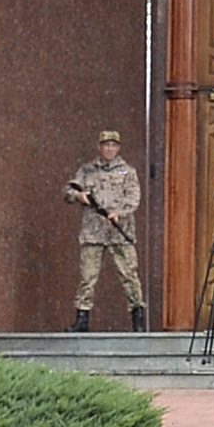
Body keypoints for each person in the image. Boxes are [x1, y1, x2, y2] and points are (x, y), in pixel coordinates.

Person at [66, 127, 145, 331]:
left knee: (129, 276)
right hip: (93, 232)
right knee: (87, 277)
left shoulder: (127, 172)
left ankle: (138, 317)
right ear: (99, 147)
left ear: (118, 148)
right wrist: (78, 196)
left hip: (120, 232)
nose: (109, 149)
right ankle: (82, 319)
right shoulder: (87, 170)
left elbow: (133, 197)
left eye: (113, 145)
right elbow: (68, 190)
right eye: (105, 145)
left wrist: (118, 212)